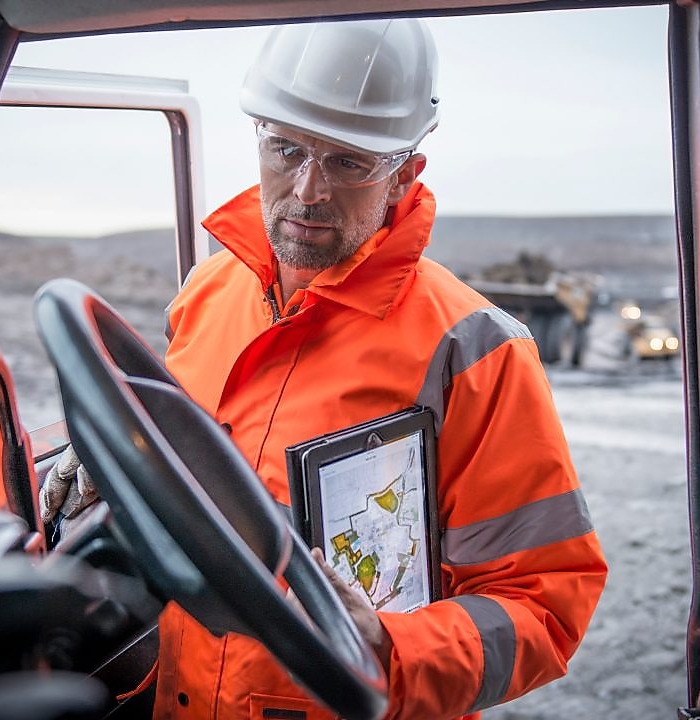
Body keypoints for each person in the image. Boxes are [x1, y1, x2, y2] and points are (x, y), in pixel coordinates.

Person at [42, 18, 606, 720]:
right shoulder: (206, 294)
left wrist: (388, 644)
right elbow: (195, 483)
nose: (307, 190)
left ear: (403, 176)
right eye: (286, 148)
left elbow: (544, 608)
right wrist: (120, 456)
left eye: (348, 162)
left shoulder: (475, 350)